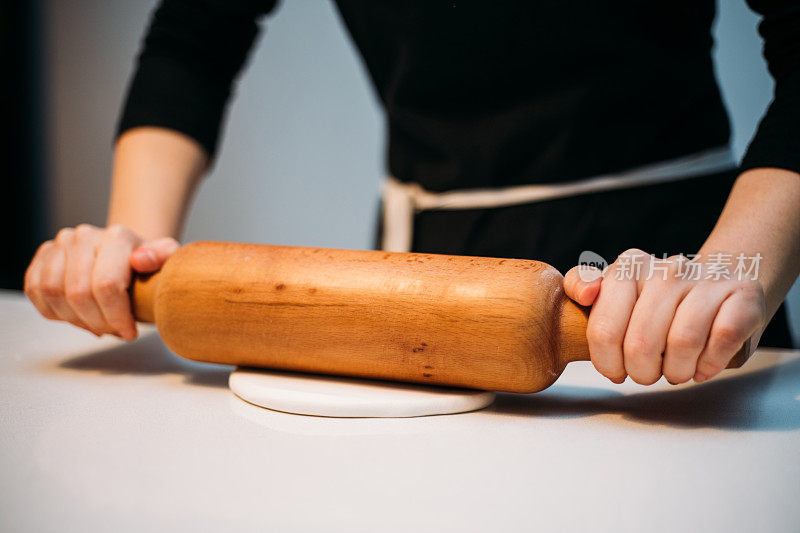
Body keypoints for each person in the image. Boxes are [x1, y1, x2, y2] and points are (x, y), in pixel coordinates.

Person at [24, 1, 800, 387]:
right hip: (419, 291)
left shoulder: (702, 283)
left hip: (674, 280)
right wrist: (133, 248)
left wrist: (734, 270)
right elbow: (194, 38)